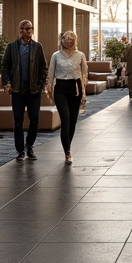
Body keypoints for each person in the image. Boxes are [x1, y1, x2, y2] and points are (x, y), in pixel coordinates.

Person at [0, 19, 48, 160]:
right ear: (19, 30)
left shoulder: (38, 47)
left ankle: (30, 146)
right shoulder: (11, 47)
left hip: (33, 91)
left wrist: (40, 85)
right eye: (23, 28)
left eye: (28, 28)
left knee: (35, 120)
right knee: (18, 121)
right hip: (17, 91)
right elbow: (5, 66)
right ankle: (20, 151)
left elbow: (43, 68)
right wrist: (6, 82)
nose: (25, 31)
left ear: (32, 30)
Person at [47, 30, 88, 164]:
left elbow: (84, 75)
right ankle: (67, 152)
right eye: (66, 38)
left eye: (71, 39)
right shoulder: (56, 55)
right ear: (62, 40)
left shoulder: (80, 55)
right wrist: (49, 88)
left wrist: (83, 92)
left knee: (72, 121)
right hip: (60, 89)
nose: (68, 41)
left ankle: (68, 145)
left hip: (75, 88)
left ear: (75, 40)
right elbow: (51, 73)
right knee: (65, 120)